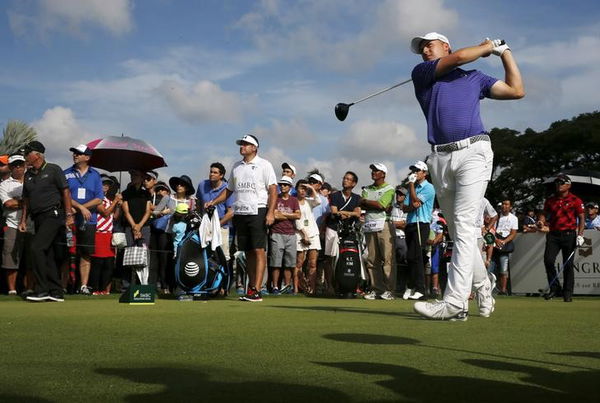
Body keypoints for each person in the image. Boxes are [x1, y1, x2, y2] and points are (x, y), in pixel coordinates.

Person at [409, 32, 524, 320]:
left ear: (444, 45)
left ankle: (455, 301)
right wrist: (488, 47)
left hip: (474, 151)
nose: (424, 51)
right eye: (421, 48)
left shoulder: (476, 78)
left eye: (429, 45)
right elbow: (460, 57)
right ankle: (484, 285)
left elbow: (516, 90)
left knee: (462, 223)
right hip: (439, 157)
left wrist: (505, 52)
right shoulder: (422, 74)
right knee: (460, 232)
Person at [205, 134, 277, 302]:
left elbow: (273, 189)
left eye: (246, 144)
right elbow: (229, 190)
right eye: (241, 144)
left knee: (259, 250)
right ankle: (251, 288)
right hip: (241, 213)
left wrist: (271, 212)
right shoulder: (236, 166)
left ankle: (257, 290)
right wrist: (213, 202)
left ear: (254, 148)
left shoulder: (264, 165)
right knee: (248, 252)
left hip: (258, 210)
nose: (242, 146)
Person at [19, 141, 74, 302]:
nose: (25, 157)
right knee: (47, 253)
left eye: (27, 154)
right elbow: (26, 200)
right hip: (37, 217)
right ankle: (56, 291)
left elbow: (65, 192)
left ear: (36, 155)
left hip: (54, 214)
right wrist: (23, 220)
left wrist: (69, 215)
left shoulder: (53, 169)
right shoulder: (28, 174)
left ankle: (41, 289)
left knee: (36, 248)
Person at [64, 144, 103, 295]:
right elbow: (64, 195)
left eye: (79, 154)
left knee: (86, 253)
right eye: (74, 153)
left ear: (87, 157)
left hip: (89, 220)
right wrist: (79, 208)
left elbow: (99, 199)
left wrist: (82, 208)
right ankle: (64, 285)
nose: (75, 155)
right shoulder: (66, 173)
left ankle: (83, 286)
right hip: (69, 219)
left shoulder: (95, 175)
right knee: (67, 253)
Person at [541, 175, 585, 302]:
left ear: (568, 185)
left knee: (568, 265)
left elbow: (581, 217)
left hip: (569, 235)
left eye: (561, 183)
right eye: (557, 183)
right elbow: (544, 214)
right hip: (553, 234)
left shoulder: (575, 200)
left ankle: (567, 293)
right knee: (548, 261)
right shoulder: (550, 200)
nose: (558, 185)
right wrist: (541, 221)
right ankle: (554, 289)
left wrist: (580, 235)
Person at [360, 163, 396, 300]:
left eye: (377, 170)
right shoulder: (367, 189)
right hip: (370, 225)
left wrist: (368, 202)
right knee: (372, 259)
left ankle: (389, 290)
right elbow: (361, 202)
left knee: (387, 259)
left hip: (384, 225)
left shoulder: (389, 189)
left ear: (383, 174)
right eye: (373, 170)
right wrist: (375, 204)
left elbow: (382, 205)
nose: (373, 172)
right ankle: (376, 289)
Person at [0, 154, 33, 295]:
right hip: (12, 224)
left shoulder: (32, 180)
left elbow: (38, 201)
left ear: (25, 165)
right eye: (15, 165)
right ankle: (12, 290)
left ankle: (29, 288)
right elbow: (8, 204)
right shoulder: (4, 184)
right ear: (11, 167)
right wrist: (27, 202)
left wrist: (17, 201)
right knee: (10, 260)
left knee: (31, 260)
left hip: (33, 225)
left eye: (20, 164)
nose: (18, 168)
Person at [402, 161, 435, 301]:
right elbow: (405, 207)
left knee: (416, 256)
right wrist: (412, 202)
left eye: (417, 170)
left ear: (425, 173)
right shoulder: (413, 187)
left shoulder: (429, 187)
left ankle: (420, 289)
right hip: (410, 224)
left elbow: (416, 202)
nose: (415, 172)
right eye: (413, 170)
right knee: (410, 257)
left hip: (421, 224)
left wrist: (410, 186)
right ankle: (411, 285)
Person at [324, 172, 362, 293]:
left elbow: (357, 213)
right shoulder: (335, 195)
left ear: (354, 183)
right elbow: (334, 211)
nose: (345, 180)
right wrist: (348, 213)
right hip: (333, 228)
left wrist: (344, 213)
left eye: (348, 179)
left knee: (349, 257)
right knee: (330, 257)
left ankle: (350, 285)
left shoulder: (357, 198)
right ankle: (330, 285)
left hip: (349, 231)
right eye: (344, 178)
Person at [89, 175, 122, 295]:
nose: (106, 186)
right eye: (103, 184)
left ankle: (104, 289)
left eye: (107, 184)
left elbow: (115, 217)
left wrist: (118, 205)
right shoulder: (97, 199)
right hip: (98, 233)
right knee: (98, 263)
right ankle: (95, 288)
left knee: (108, 264)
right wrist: (115, 202)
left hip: (109, 235)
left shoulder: (108, 200)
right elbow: (105, 213)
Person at [196, 163, 234, 261]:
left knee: (223, 258)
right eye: (211, 172)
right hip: (205, 227)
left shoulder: (227, 189)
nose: (211, 174)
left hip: (221, 227)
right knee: (204, 256)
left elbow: (230, 212)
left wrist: (217, 225)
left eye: (215, 172)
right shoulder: (202, 185)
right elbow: (198, 203)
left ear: (221, 175)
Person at [121, 170, 152, 289]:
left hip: (144, 227)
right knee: (129, 254)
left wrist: (139, 226)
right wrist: (134, 226)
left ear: (141, 177)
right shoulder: (126, 193)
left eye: (136, 175)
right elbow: (126, 211)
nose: (133, 177)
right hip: (130, 227)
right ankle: (127, 285)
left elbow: (148, 211)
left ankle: (142, 284)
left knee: (143, 255)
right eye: (132, 175)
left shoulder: (146, 193)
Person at [269, 175, 300, 294]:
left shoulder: (294, 200)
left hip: (291, 234)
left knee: (289, 263)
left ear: (290, 187)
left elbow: (298, 215)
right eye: (281, 184)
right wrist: (289, 214)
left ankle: (286, 286)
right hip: (277, 232)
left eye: (285, 184)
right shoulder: (275, 198)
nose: (283, 186)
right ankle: (275, 286)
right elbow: (275, 215)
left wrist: (283, 214)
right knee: (276, 262)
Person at [294, 179, 322, 295]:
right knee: (299, 263)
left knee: (312, 263)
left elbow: (318, 201)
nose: (303, 190)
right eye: (301, 188)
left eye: (305, 189)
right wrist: (304, 234)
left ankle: (312, 289)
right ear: (296, 189)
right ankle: (296, 288)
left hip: (313, 234)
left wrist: (311, 188)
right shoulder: (293, 201)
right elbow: (296, 220)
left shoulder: (309, 201)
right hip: (299, 234)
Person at [490, 199, 518, 295]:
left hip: (504, 244)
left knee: (503, 269)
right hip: (493, 244)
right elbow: (491, 229)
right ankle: (487, 289)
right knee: (490, 268)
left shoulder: (514, 218)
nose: (504, 206)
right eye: (503, 204)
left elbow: (513, 233)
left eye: (506, 204)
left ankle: (503, 290)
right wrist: (496, 240)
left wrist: (504, 241)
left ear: (510, 207)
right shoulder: (496, 217)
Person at [390, 186, 408, 293]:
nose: (398, 196)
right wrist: (399, 224)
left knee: (403, 264)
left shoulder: (408, 208)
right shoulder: (392, 207)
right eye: (397, 194)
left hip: (403, 238)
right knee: (391, 263)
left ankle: (402, 287)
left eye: (401, 194)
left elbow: (406, 225)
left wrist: (395, 224)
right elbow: (389, 222)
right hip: (392, 238)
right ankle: (392, 287)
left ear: (406, 197)